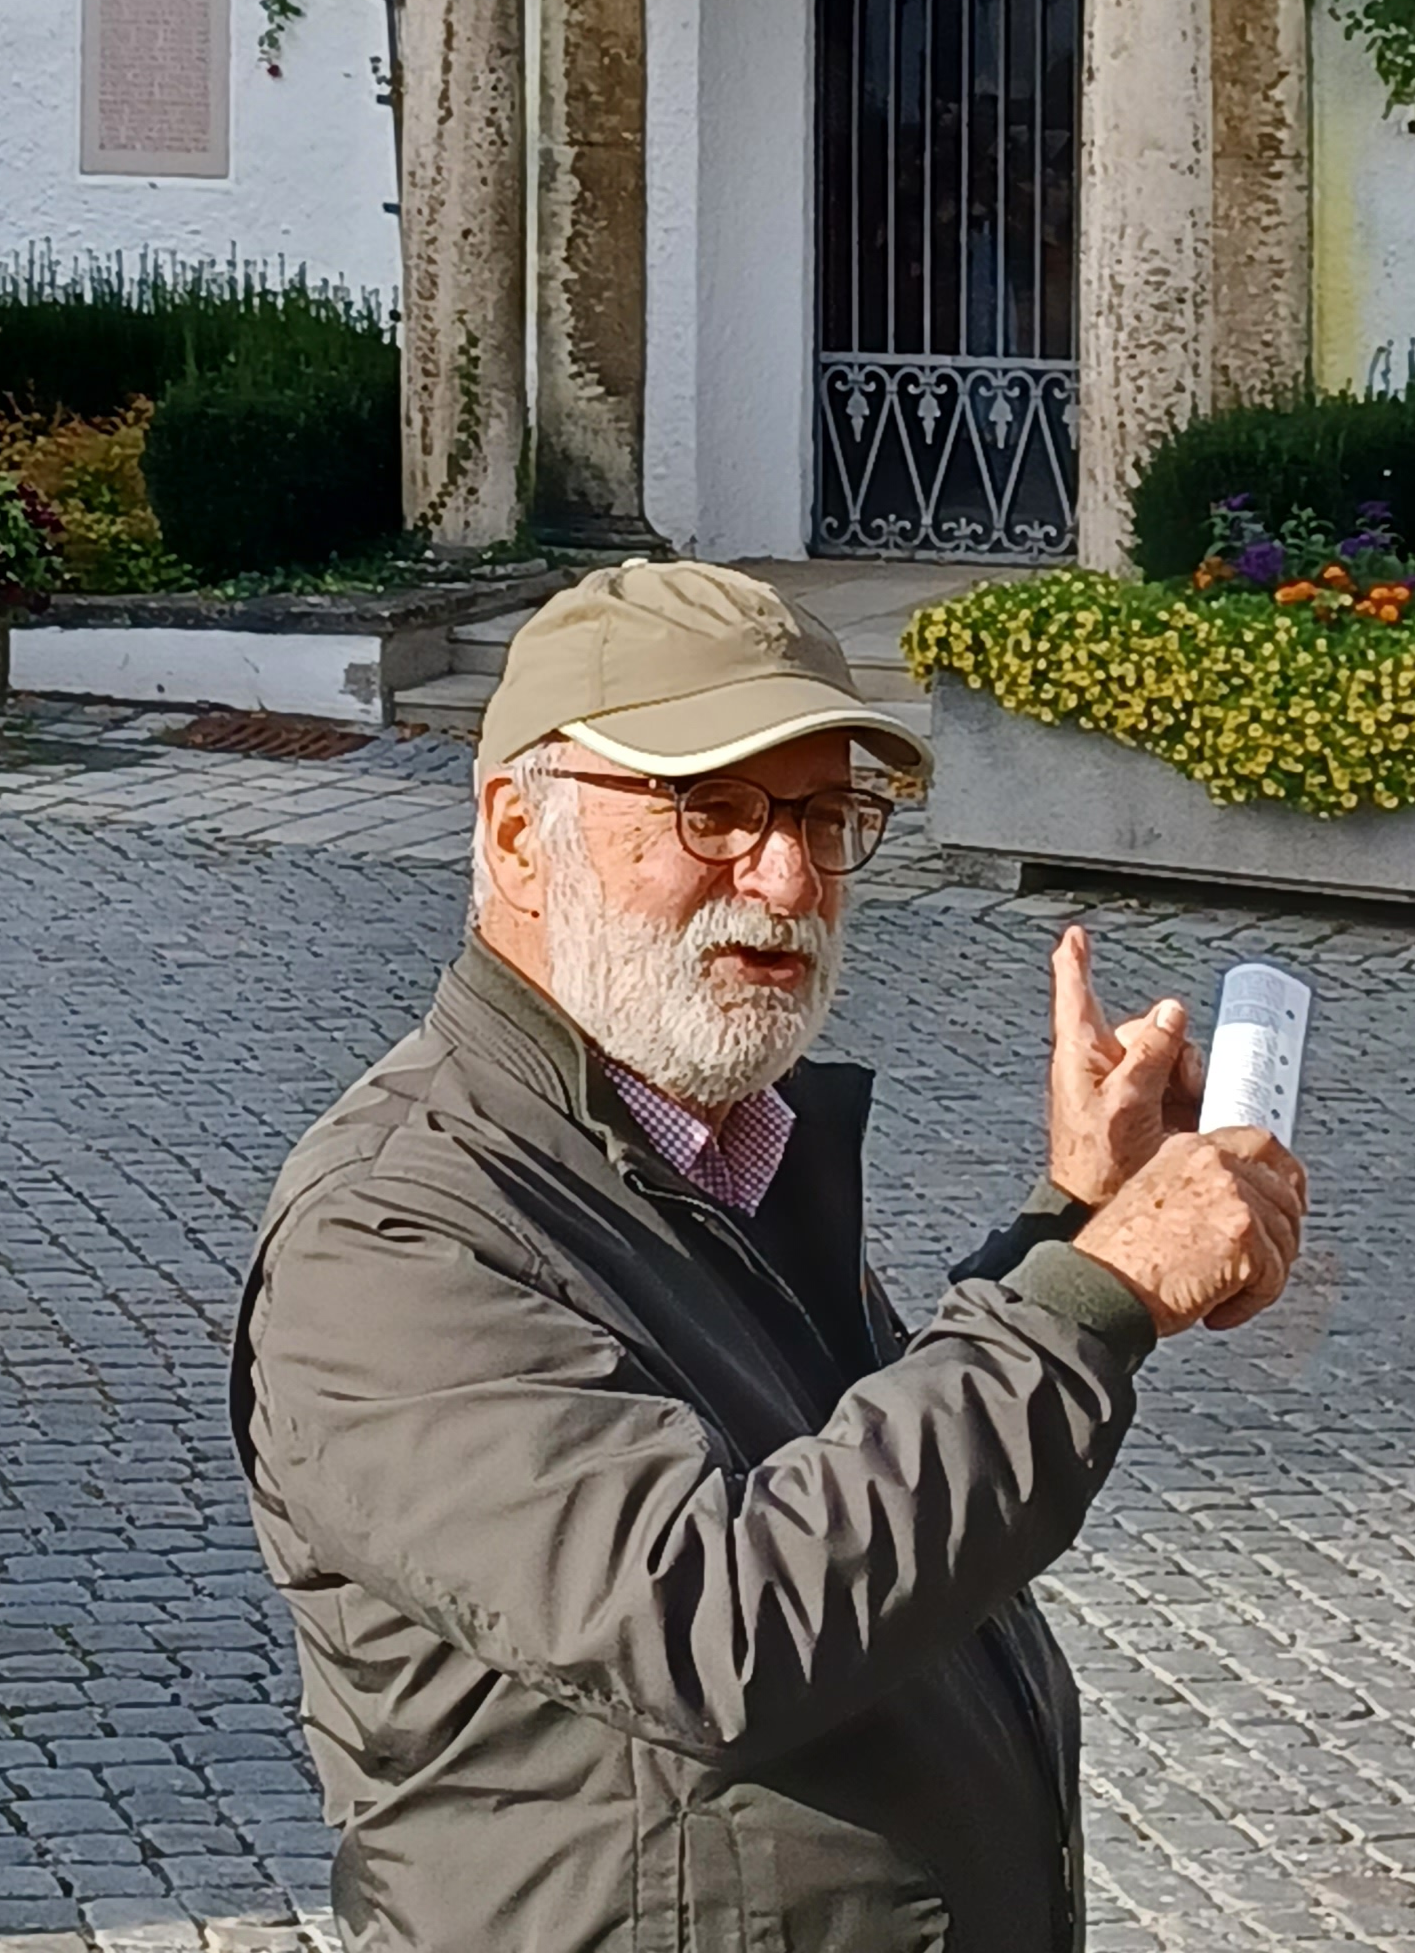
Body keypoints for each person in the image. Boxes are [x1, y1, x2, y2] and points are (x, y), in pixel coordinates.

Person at [233, 559, 1307, 1953]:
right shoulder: (393, 1237)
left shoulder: (711, 1144)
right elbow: (716, 1624)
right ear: (514, 834)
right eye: (714, 809)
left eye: (823, 813)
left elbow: (851, 1490)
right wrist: (1099, 1290)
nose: (787, 876)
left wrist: (1076, 1221)